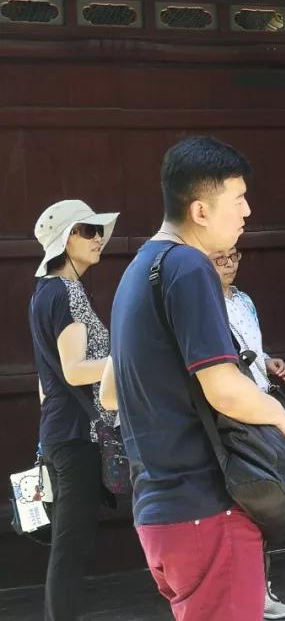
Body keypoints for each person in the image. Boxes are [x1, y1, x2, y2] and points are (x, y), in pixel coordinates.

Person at [108, 136, 285, 621]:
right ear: (200, 210)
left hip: (159, 512)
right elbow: (224, 388)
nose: (247, 211)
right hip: (205, 507)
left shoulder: (138, 270)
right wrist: (283, 420)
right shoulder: (190, 266)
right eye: (237, 199)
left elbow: (111, 393)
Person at [30, 200, 119, 621]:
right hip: (76, 436)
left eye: (98, 230)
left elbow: (45, 382)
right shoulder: (66, 292)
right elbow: (74, 370)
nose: (98, 237)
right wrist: (129, 360)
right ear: (66, 239)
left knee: (71, 545)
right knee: (70, 547)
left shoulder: (44, 293)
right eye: (88, 230)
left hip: (62, 432)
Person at [209, 246, 285, 620]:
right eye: (220, 259)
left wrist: (269, 360)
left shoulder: (244, 300)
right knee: (247, 499)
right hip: (235, 409)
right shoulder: (205, 303)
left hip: (263, 400)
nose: (229, 265)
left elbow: (253, 349)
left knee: (268, 498)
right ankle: (253, 590)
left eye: (234, 257)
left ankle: (263, 587)